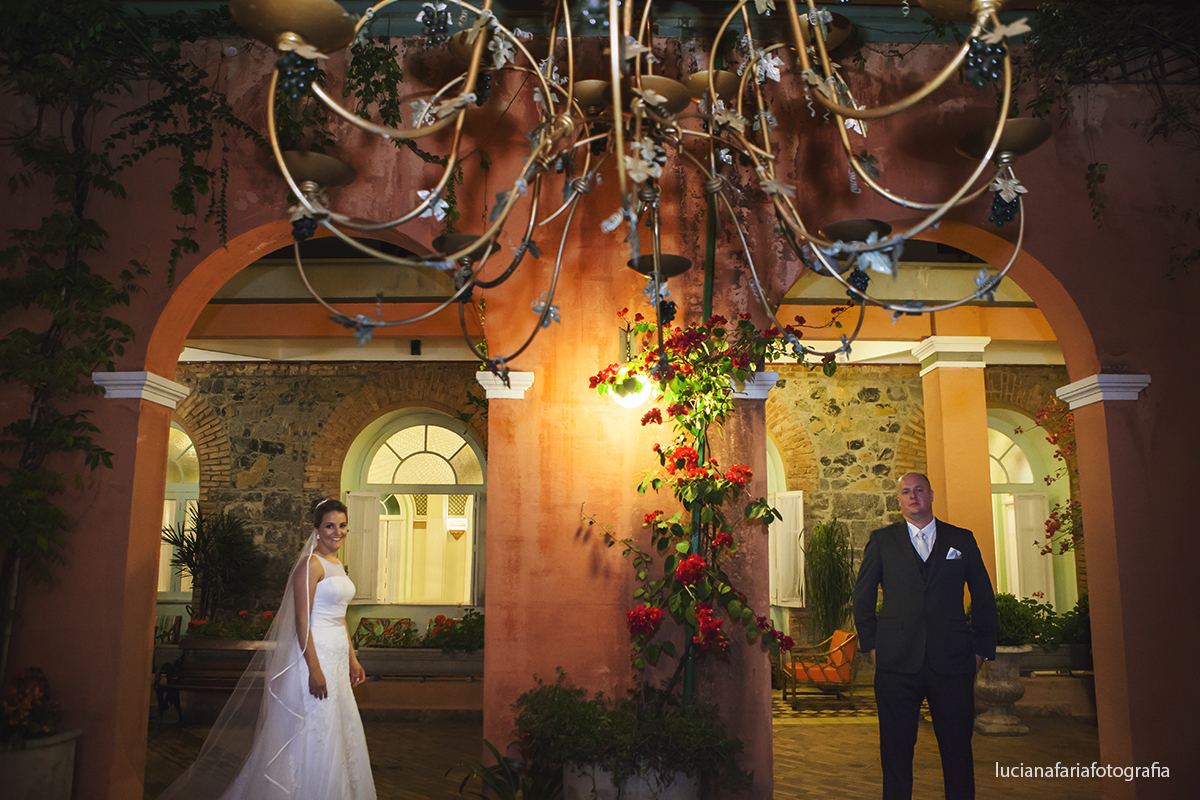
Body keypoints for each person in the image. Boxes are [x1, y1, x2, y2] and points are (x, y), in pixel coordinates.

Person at [159, 498, 377, 800]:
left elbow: (339, 620)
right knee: (314, 730)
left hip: (338, 658)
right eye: (329, 526)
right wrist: (314, 668)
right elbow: (303, 621)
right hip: (314, 657)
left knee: (336, 731)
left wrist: (353, 660)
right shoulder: (309, 565)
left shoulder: (338, 565)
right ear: (316, 530)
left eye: (341, 526)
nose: (336, 532)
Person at [852, 472, 997, 800]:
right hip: (896, 665)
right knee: (895, 752)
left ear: (931, 495)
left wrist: (981, 651)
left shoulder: (961, 540)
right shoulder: (882, 541)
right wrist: (873, 647)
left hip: (954, 664)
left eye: (919, 490)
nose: (913, 496)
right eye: (906, 491)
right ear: (899, 499)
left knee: (958, 752)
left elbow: (984, 598)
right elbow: (861, 600)